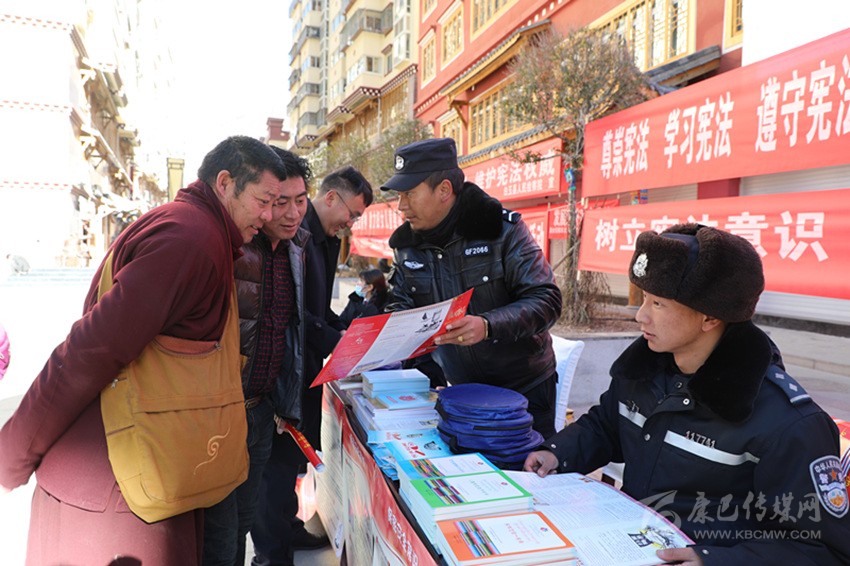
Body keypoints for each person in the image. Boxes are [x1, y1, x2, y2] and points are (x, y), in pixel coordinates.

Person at [0, 135, 286, 565]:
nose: (268, 216)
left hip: (143, 476)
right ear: (225, 183)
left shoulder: (197, 229)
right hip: (114, 490)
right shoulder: (189, 238)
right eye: (263, 201)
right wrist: (14, 451)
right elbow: (90, 350)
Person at [524, 224, 850, 565]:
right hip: (627, 542)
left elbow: (823, 550)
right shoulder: (645, 370)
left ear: (710, 317)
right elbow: (606, 427)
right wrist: (557, 454)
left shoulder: (788, 424)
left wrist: (713, 560)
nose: (640, 315)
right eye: (643, 298)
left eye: (658, 304)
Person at [383, 138, 562, 438]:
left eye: (409, 194)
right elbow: (403, 311)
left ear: (444, 190)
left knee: (528, 465)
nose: (402, 206)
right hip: (459, 394)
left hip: (524, 391)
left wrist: (487, 325)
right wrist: (426, 375)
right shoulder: (406, 247)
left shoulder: (501, 230)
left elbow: (547, 300)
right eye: (399, 196)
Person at [251, 165, 373, 566]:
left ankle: (289, 529)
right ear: (331, 197)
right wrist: (337, 341)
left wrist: (345, 332)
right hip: (278, 372)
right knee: (272, 472)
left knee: (291, 462)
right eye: (352, 214)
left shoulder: (324, 241)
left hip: (304, 369)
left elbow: (318, 310)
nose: (351, 223)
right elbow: (292, 314)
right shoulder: (292, 237)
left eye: (298, 202)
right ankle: (271, 555)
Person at [202, 147, 311, 566]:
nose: (291, 214)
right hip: (221, 416)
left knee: (243, 523)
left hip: (262, 411)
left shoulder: (296, 248)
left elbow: (289, 330)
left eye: (300, 200)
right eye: (278, 202)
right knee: (218, 536)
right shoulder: (232, 246)